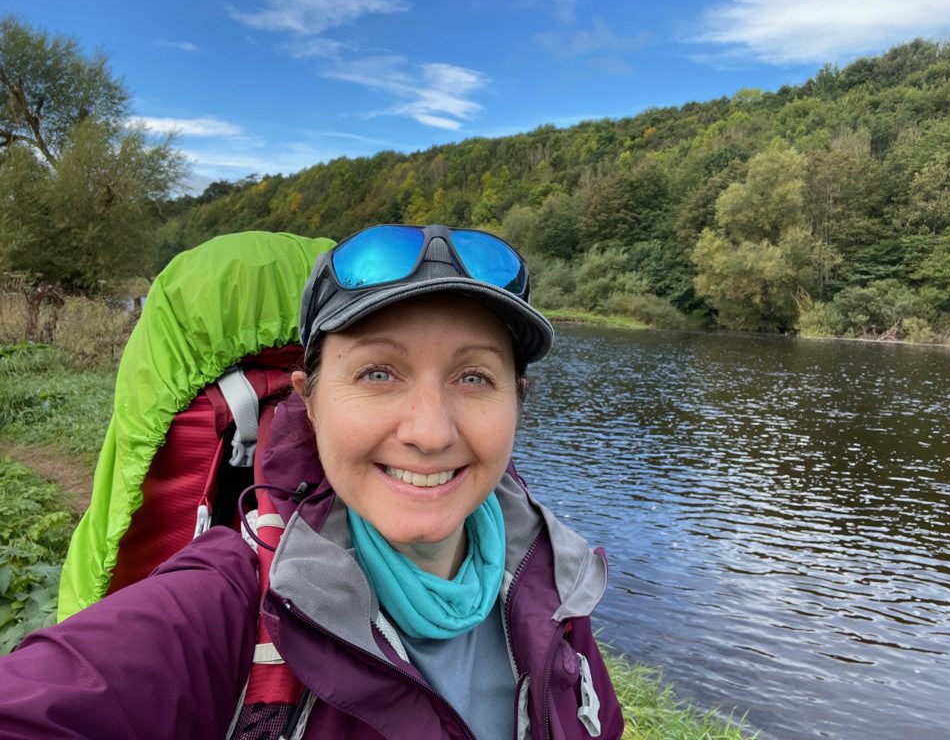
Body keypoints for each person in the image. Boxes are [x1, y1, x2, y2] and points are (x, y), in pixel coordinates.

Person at [0, 224, 625, 739]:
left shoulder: (556, 584)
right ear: (312, 401)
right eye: (380, 373)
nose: (431, 432)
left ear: (518, 400)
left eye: (474, 378)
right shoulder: (226, 605)